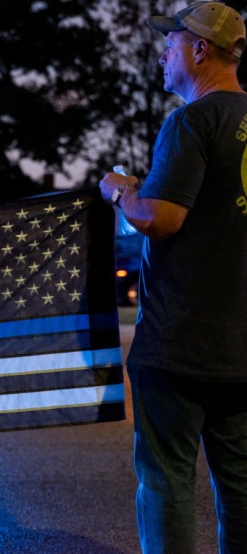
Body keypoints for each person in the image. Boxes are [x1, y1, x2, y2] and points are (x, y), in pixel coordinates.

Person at [99, 2, 247, 552]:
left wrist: (118, 189)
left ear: (200, 50)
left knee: (166, 482)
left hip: (181, 347)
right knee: (241, 487)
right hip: (241, 348)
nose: (164, 53)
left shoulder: (193, 121)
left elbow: (160, 219)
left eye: (172, 43)